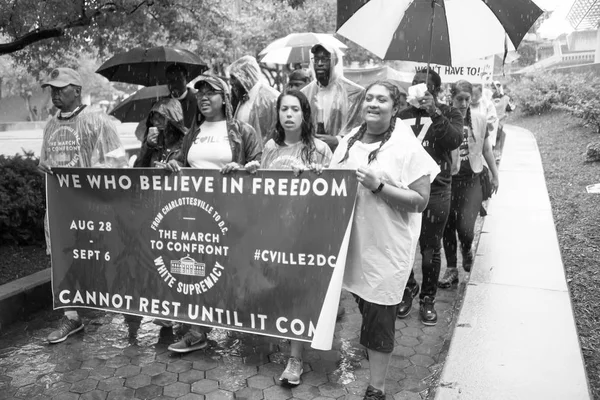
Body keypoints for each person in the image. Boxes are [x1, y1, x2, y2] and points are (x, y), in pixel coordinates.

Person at [330, 81, 439, 400]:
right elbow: (331, 179)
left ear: (395, 108)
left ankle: (376, 387)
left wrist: (380, 187)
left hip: (388, 248)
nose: (373, 103)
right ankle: (376, 345)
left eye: (382, 99)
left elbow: (420, 200)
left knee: (379, 315)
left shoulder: (405, 146)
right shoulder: (349, 140)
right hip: (354, 243)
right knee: (365, 303)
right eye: (369, 98)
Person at [161, 75, 262, 353]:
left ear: (225, 98)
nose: (204, 97)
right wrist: (172, 164)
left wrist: (243, 168)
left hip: (232, 213)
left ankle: (246, 317)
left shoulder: (243, 130)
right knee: (199, 268)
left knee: (229, 269)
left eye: (211, 93)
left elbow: (261, 166)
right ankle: (198, 329)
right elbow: (182, 161)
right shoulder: (193, 131)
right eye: (200, 93)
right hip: (196, 214)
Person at [245, 90, 332, 386]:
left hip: (305, 232)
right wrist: (249, 172)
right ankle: (287, 336)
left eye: (295, 109)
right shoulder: (269, 147)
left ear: (305, 114)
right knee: (280, 288)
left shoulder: (319, 149)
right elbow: (262, 190)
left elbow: (333, 193)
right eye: (284, 109)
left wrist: (314, 175)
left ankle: (296, 358)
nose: (289, 114)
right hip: (274, 231)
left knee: (297, 291)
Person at [38, 67, 128, 344]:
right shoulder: (51, 125)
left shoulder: (98, 121)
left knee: (104, 257)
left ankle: (127, 308)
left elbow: (116, 161)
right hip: (61, 209)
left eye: (61, 88)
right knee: (63, 259)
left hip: (92, 207)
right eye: (52, 88)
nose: (55, 93)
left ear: (77, 90)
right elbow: (44, 165)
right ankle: (71, 316)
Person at [397, 68, 464, 325]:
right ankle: (408, 288)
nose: (415, 87)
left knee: (429, 248)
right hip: (406, 189)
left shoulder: (449, 112)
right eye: (413, 83)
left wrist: (433, 111)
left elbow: (454, 140)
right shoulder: (402, 116)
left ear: (434, 90)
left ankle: (427, 299)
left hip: (437, 190)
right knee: (402, 245)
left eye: (422, 85)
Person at [439, 80, 500, 288]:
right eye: (460, 99)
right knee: (447, 226)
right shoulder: (443, 119)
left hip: (472, 180)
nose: (464, 103)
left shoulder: (480, 119)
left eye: (468, 99)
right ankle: (451, 269)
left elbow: (486, 149)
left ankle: (466, 248)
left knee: (465, 227)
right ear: (451, 98)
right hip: (447, 181)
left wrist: (495, 173)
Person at [301, 43, 365, 151]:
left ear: (334, 61)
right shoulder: (305, 93)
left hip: (342, 155)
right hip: (311, 154)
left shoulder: (354, 92)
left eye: (325, 59)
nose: (320, 64)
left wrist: (338, 140)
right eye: (316, 59)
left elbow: (362, 129)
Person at [135, 64, 198, 141]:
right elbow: (142, 133)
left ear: (187, 79)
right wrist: (150, 140)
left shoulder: (199, 101)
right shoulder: (159, 106)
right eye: (170, 81)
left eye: (178, 79)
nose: (174, 84)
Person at [229, 55, 280, 143]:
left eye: (234, 77)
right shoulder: (241, 97)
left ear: (247, 76)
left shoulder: (271, 98)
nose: (230, 82)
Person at [134, 98, 187, 167]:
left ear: (172, 119)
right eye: (154, 118)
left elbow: (193, 168)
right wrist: (148, 146)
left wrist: (175, 166)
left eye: (161, 117)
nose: (156, 122)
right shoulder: (154, 140)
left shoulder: (187, 139)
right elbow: (138, 169)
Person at [491, 81, 515, 161]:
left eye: (495, 87)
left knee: (497, 138)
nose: (494, 89)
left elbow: (512, 107)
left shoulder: (505, 98)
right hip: (491, 121)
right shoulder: (490, 98)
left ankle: (496, 155)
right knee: (491, 138)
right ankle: (492, 154)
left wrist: (506, 114)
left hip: (500, 122)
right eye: (493, 88)